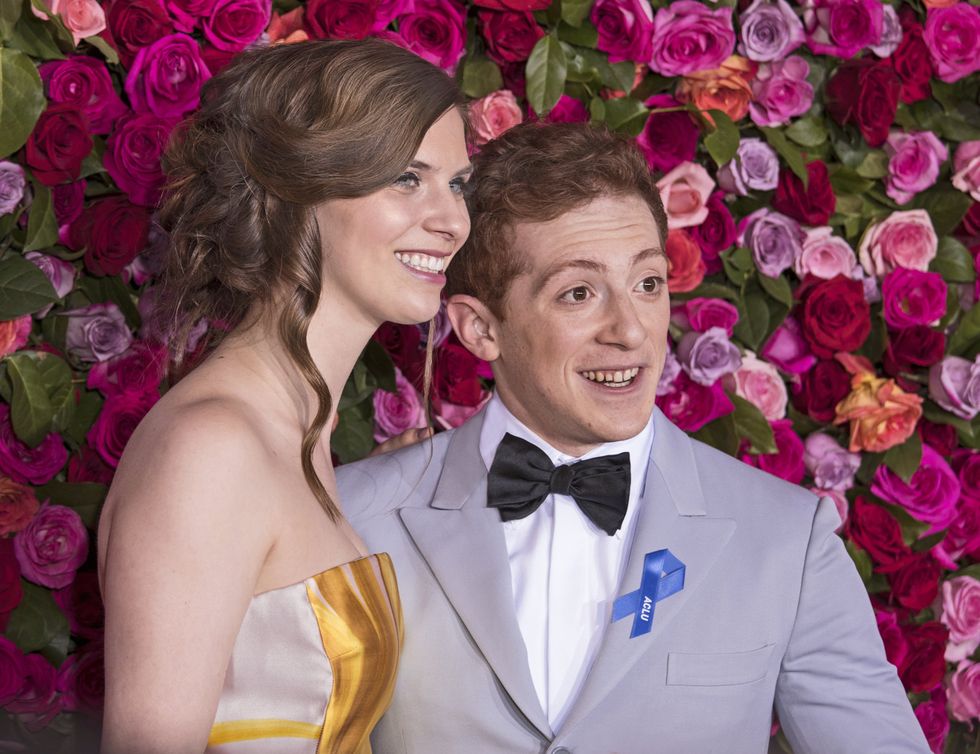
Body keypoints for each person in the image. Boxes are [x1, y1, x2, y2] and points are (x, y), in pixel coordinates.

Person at [336, 122, 930, 753]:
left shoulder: (786, 538)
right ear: (481, 329)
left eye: (648, 283)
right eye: (578, 293)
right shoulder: (352, 516)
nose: (630, 330)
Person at [96, 39, 471, 754]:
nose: (452, 221)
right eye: (407, 179)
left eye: (458, 184)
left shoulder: (297, 437)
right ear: (301, 192)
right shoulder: (212, 451)